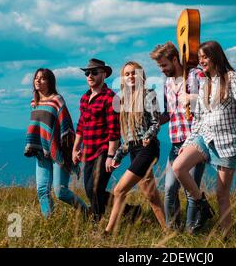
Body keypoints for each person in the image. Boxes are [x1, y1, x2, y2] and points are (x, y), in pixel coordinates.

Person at [172, 41, 236, 236]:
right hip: (204, 137)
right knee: (178, 167)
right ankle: (201, 204)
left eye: (205, 57)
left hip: (226, 144)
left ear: (216, 57)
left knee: (221, 194)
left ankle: (227, 236)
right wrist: (188, 143)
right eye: (200, 57)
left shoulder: (231, 79)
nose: (201, 61)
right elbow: (199, 118)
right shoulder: (205, 82)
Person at [73, 58, 140, 222]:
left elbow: (114, 130)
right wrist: (75, 148)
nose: (90, 75)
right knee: (90, 191)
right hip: (88, 150)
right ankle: (130, 211)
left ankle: (96, 221)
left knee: (94, 188)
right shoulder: (84, 98)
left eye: (94, 72)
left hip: (103, 150)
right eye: (87, 73)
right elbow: (81, 125)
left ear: (104, 74)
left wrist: (110, 156)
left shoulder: (111, 98)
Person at [150, 42, 206, 232]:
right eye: (159, 66)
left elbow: (211, 100)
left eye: (164, 65)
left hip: (195, 141)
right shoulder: (167, 83)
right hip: (175, 141)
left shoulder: (195, 75)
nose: (162, 69)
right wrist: (156, 120)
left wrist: (193, 98)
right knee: (169, 189)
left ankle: (192, 231)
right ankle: (172, 232)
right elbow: (170, 113)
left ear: (175, 59)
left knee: (191, 190)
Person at [104, 61, 166, 234]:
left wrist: (148, 136)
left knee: (119, 190)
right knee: (151, 196)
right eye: (127, 74)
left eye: (134, 73)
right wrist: (118, 155)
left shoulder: (148, 94)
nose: (131, 76)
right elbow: (129, 138)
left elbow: (156, 122)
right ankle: (169, 233)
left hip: (148, 149)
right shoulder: (123, 101)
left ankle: (108, 232)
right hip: (134, 151)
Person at [24, 68, 88, 218]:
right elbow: (37, 128)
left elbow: (66, 126)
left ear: (50, 82)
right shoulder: (34, 102)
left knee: (60, 191)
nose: (38, 81)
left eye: (43, 78)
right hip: (41, 151)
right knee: (42, 190)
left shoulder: (56, 100)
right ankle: (49, 221)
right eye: (36, 78)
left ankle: (86, 212)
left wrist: (71, 148)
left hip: (59, 151)